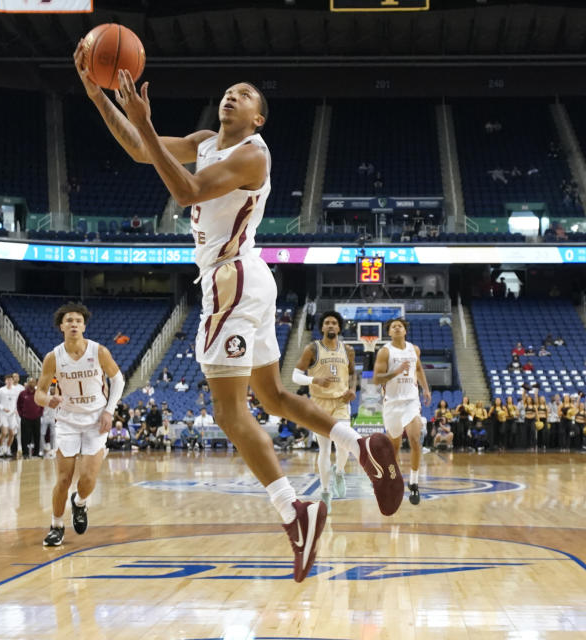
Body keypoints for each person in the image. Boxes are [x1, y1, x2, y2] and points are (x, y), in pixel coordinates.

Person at [79, 50, 404, 581]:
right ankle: (360, 442)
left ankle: (294, 512)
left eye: (246, 94)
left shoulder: (254, 155)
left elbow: (185, 191)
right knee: (272, 396)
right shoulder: (208, 141)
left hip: (232, 277)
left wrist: (145, 123)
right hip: (247, 279)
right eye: (229, 90)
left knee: (231, 412)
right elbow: (144, 151)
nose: (232, 94)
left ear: (258, 118)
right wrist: (100, 99)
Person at [35, 303, 123, 548]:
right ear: (61, 326)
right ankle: (56, 525)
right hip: (67, 421)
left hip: (96, 420)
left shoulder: (99, 351)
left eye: (78, 320)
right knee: (63, 478)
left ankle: (80, 502)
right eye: (69, 320)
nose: (74, 324)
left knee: (88, 478)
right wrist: (49, 400)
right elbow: (39, 394)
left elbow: (118, 380)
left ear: (84, 325)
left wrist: (109, 410)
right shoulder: (53, 357)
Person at [291, 311, 354, 512]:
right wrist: (314, 380)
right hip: (319, 404)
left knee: (344, 446)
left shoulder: (348, 350)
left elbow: (352, 374)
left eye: (334, 323)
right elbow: (295, 376)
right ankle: (326, 491)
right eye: (327, 323)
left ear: (339, 328)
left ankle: (340, 472)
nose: (330, 325)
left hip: (341, 403)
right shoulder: (312, 349)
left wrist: (352, 389)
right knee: (325, 449)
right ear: (322, 328)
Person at [372, 318, 430, 507]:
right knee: (394, 448)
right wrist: (396, 371)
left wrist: (426, 389)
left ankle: (414, 482)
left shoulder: (415, 349)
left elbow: (419, 369)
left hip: (411, 401)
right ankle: (395, 482)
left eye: (400, 326)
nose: (397, 328)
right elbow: (376, 379)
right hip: (392, 404)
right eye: (393, 326)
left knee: (415, 438)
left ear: (405, 330)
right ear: (389, 332)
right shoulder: (385, 351)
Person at [17, 376, 44, 458]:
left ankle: (36, 453)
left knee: (37, 436)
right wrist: (21, 414)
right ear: (27, 383)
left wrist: (40, 413)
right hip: (25, 418)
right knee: (24, 436)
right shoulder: (22, 394)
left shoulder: (38, 393)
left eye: (33, 382)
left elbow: (42, 404)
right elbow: (18, 405)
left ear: (36, 383)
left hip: (36, 418)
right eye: (30, 382)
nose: (31, 383)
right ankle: (25, 453)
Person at [0, 374, 20, 458]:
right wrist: (3, 408)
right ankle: (0, 449)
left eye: (10, 380)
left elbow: (17, 402)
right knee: (4, 433)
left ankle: (8, 449)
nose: (9, 381)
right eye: (7, 380)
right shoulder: (1, 390)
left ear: (13, 381)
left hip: (12, 415)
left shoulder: (16, 390)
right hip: (3, 414)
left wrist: (16, 409)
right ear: (5, 381)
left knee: (12, 434)